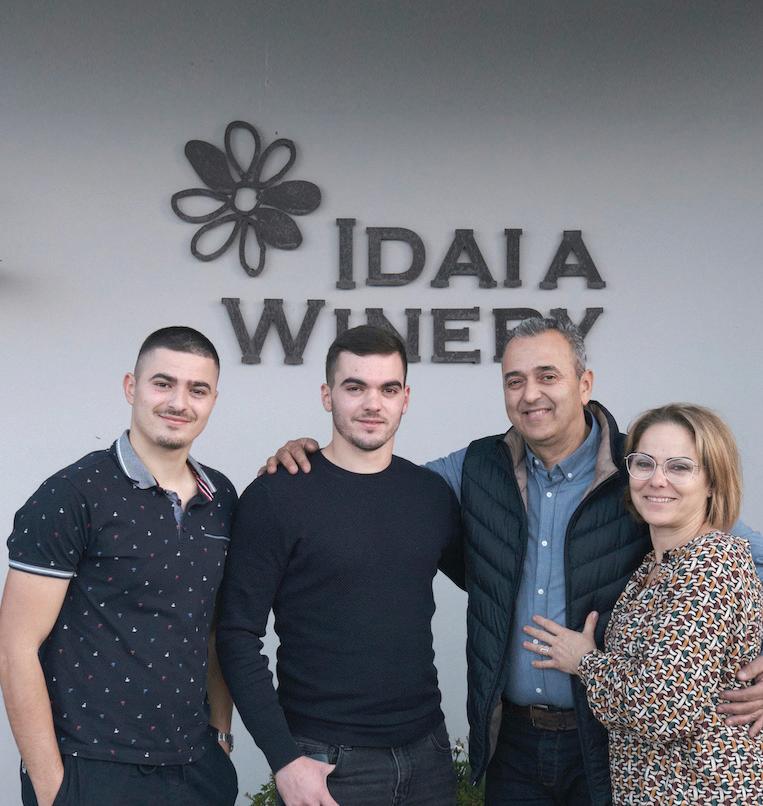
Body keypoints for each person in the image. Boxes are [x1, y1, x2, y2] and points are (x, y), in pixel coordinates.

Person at [262, 317, 763, 806]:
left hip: (605, 742)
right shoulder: (476, 468)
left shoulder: (640, 471)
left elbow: (739, 560)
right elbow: (381, 483)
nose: (530, 394)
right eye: (515, 380)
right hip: (514, 743)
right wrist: (315, 457)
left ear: (584, 384)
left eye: (548, 376)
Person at [217, 325, 461, 806]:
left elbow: (494, 583)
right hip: (326, 760)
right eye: (355, 387)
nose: (373, 403)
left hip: (428, 755)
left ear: (405, 398)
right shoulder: (276, 496)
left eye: (388, 389)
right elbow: (236, 635)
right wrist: (284, 759)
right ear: (327, 395)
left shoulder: (431, 496)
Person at [0, 327, 238, 806]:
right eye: (163, 383)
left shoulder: (222, 498)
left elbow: (215, 629)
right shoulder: (72, 495)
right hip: (91, 768)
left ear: (213, 400)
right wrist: (52, 788)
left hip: (196, 769)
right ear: (132, 387)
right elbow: (15, 646)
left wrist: (220, 737)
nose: (179, 402)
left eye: (198, 389)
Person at [523, 403, 763, 803]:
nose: (657, 480)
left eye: (680, 467)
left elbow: (663, 710)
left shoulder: (710, 564)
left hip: (703, 792)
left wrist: (585, 662)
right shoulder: (654, 565)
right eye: (644, 463)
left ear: (712, 482)